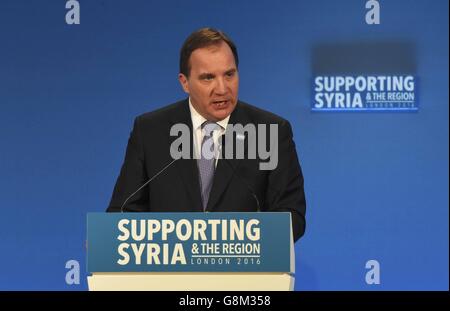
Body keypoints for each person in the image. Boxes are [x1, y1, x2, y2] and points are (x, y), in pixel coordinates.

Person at [107, 28, 306, 242]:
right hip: (169, 271)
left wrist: (233, 240)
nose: (222, 89)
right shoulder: (150, 130)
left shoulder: (270, 131)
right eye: (208, 78)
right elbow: (123, 213)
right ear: (185, 83)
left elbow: (291, 217)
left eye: (229, 74)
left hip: (242, 271)